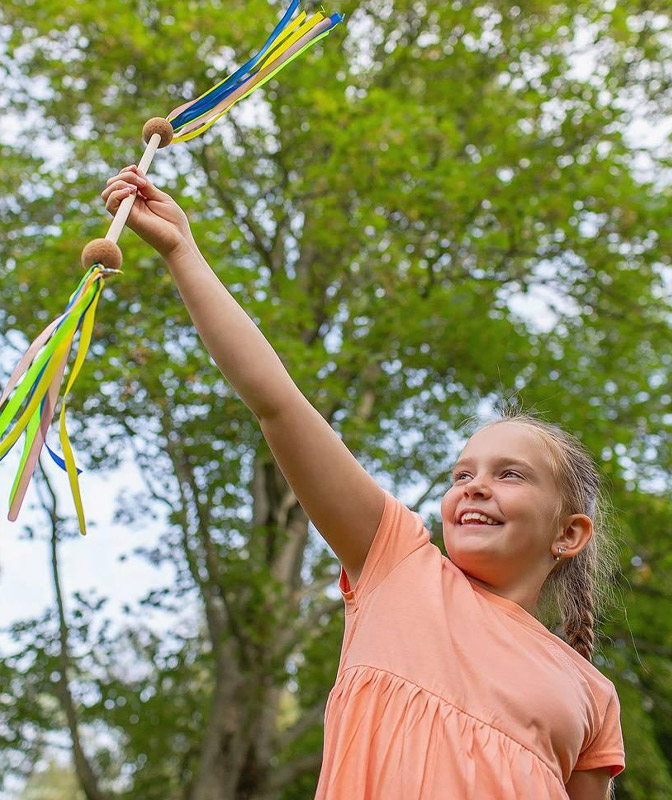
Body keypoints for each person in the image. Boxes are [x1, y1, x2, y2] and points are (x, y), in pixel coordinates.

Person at [101, 166, 626, 799]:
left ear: (569, 533)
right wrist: (184, 252)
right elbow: (278, 404)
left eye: (510, 475)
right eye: (462, 474)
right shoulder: (399, 562)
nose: (475, 486)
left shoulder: (593, 695)